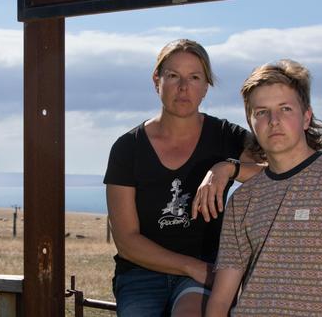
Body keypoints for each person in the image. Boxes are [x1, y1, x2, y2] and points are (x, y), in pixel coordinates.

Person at [206, 59, 322, 317]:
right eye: (261, 112)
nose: (274, 121)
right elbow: (221, 299)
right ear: (252, 123)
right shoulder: (243, 199)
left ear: (306, 118)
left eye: (285, 109)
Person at [104, 39, 261, 316]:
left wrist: (226, 168)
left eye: (194, 77)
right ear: (157, 80)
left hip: (206, 268)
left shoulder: (226, 137)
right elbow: (127, 241)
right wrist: (192, 267)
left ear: (205, 87)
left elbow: (274, 170)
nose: (183, 87)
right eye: (173, 76)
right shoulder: (128, 148)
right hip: (142, 273)